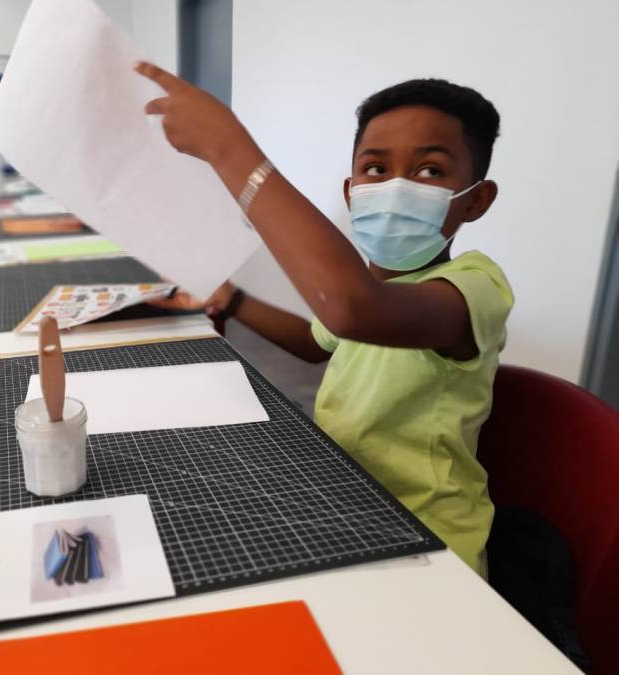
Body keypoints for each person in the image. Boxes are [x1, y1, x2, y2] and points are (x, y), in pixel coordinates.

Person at [134, 62, 513, 578]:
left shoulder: (476, 288)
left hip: (428, 540)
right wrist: (231, 299)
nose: (395, 187)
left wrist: (227, 147)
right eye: (376, 169)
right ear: (351, 191)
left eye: (429, 171)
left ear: (477, 200)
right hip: (344, 498)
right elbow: (318, 342)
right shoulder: (368, 289)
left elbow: (352, 310)